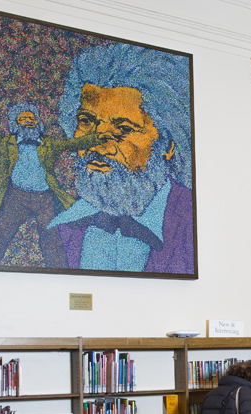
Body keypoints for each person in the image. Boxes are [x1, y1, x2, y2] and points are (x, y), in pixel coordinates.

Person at [48, 43, 194, 274]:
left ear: (167, 145)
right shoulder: (56, 224)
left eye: (123, 129)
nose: (96, 144)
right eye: (86, 121)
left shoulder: (194, 221)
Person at [0, 74, 100, 267]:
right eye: (23, 118)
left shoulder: (49, 144)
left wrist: (100, 137)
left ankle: (62, 276)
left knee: (52, 240)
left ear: (38, 123)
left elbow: (74, 143)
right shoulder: (4, 145)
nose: (29, 121)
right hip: (16, 197)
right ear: (15, 125)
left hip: (44, 199)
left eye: (32, 118)